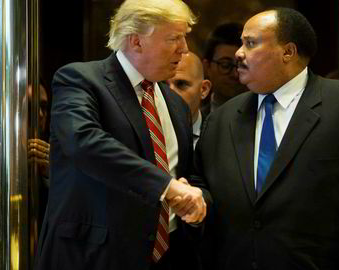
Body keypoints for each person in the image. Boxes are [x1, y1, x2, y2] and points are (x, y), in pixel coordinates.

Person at [195, 7, 339, 270]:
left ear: (288, 52)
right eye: (241, 43)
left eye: (250, 43)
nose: (238, 53)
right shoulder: (221, 120)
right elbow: (202, 187)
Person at [34, 1, 209, 270]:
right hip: (95, 255)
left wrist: (196, 203)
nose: (184, 49)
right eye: (174, 38)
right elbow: (83, 142)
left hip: (168, 255)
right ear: (136, 41)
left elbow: (187, 174)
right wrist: (166, 186)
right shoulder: (80, 79)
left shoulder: (176, 104)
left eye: (184, 38)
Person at [201, 22, 248, 116]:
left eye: (242, 65)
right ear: (207, 66)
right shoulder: (194, 120)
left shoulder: (262, 118)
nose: (235, 74)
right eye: (225, 65)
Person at [167, 52, 211, 148]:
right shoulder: (145, 133)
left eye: (181, 84)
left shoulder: (219, 137)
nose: (170, 92)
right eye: (163, 85)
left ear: (204, 89)